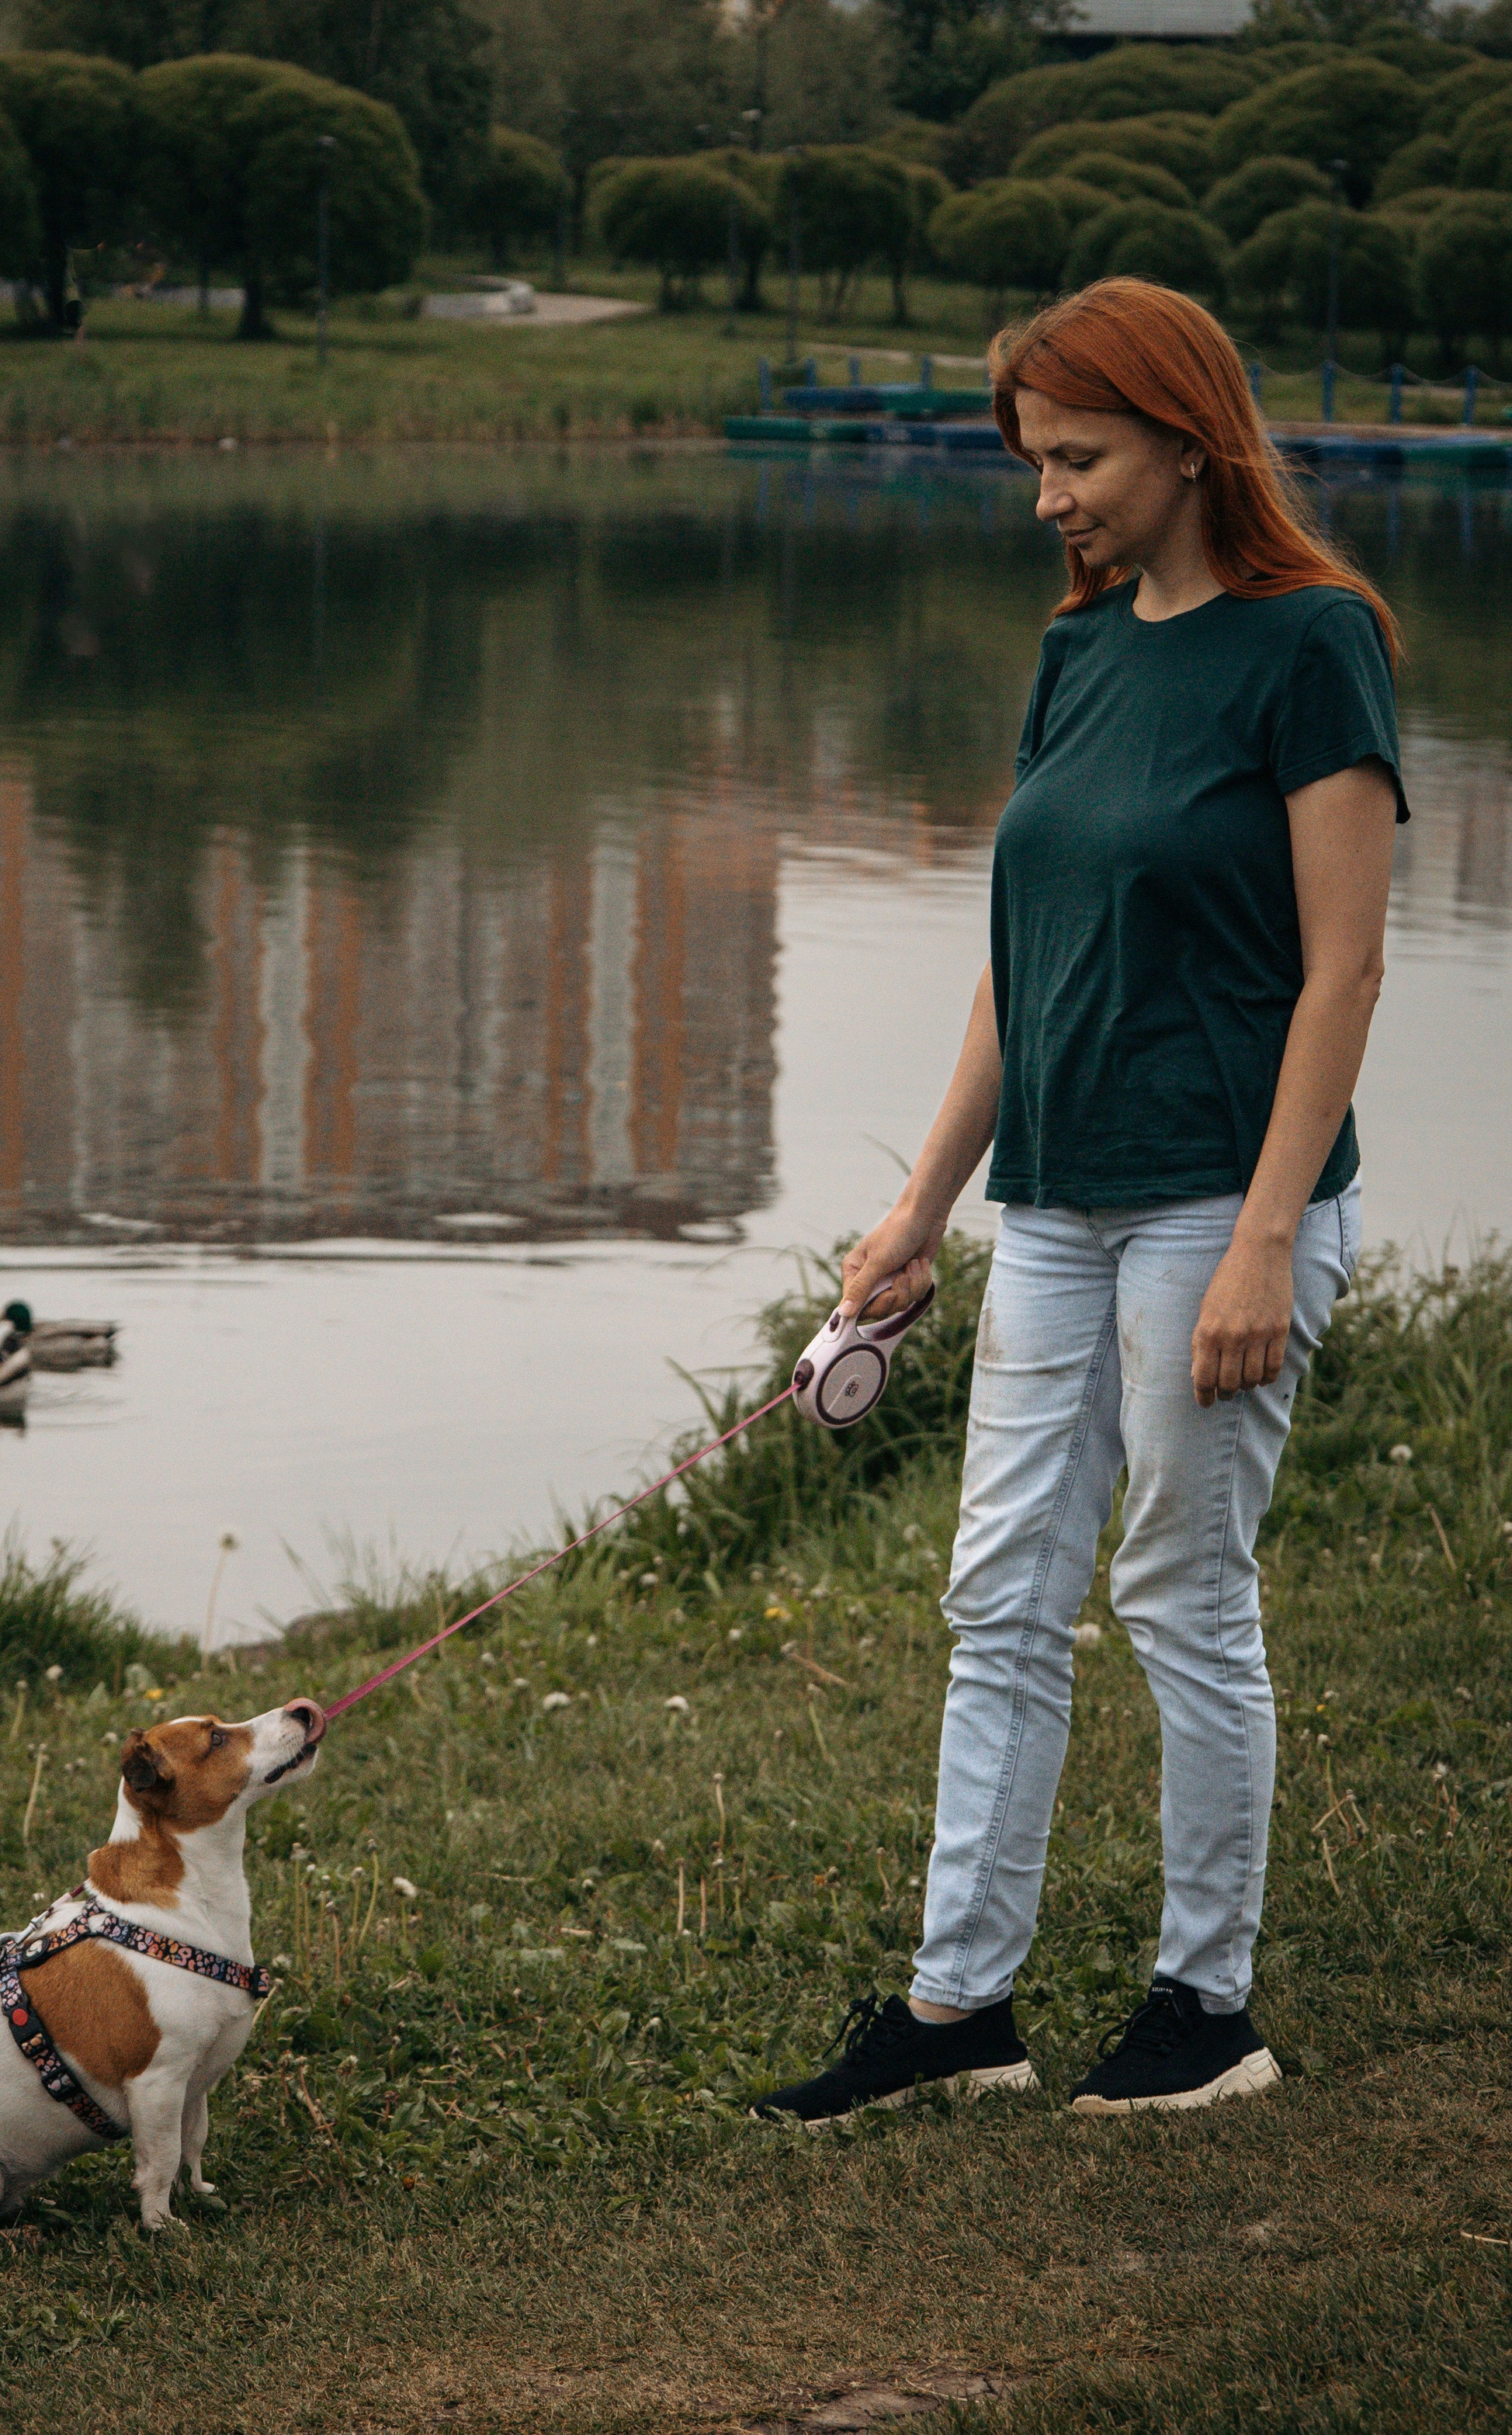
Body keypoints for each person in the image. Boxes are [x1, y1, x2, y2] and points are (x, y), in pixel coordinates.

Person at [758, 279, 1404, 2122]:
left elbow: (1343, 972)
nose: (1045, 495)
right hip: (1049, 1201)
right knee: (998, 1596)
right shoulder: (1079, 650)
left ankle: (1205, 2007)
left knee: (1181, 1590)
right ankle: (960, 2007)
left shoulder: (1313, 642)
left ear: (1185, 439)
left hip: (1220, 1201)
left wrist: (1270, 1232)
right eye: (1029, 461)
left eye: (1077, 457)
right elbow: (1012, 962)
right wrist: (915, 1214)